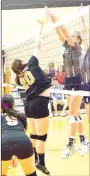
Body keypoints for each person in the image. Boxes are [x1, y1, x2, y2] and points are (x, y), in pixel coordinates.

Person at [44, 5, 89, 158]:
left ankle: (71, 144)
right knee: (74, 112)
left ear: (77, 39)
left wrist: (53, 15)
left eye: (73, 34)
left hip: (78, 81)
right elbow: (59, 31)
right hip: (69, 81)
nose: (70, 35)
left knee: (71, 113)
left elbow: (63, 29)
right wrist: (51, 19)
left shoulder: (76, 48)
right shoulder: (67, 48)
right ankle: (84, 141)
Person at [12, 21, 51, 175]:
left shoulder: (20, 77)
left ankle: (35, 159)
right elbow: (38, 45)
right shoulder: (32, 64)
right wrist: (40, 28)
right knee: (42, 136)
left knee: (34, 134)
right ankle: (41, 163)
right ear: (22, 63)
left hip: (29, 105)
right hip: (39, 103)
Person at [1, 94, 37, 176]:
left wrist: (10, 156)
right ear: (14, 104)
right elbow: (21, 133)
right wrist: (14, 155)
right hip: (24, 142)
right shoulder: (21, 115)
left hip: (4, 144)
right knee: (31, 174)